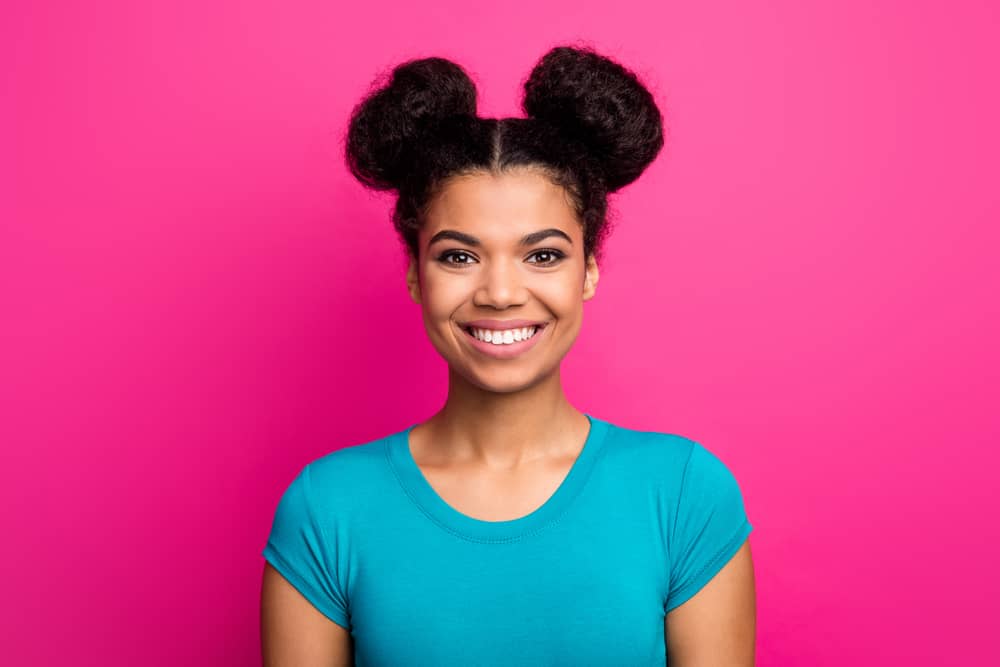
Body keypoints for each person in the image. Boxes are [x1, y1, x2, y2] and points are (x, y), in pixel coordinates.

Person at [261, 44, 755, 666]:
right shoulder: (328, 506)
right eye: (458, 256)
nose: (499, 293)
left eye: (543, 254)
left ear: (589, 271)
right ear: (416, 275)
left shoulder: (683, 492)